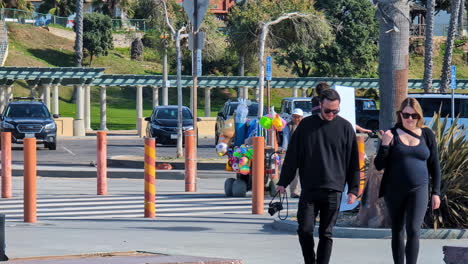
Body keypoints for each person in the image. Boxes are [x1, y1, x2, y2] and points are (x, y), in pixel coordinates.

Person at [277, 89, 360, 264]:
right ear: (320, 106)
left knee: (326, 233)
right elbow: (293, 156)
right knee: (305, 230)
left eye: (335, 111)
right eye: (327, 110)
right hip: (310, 189)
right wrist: (283, 181)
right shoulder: (306, 126)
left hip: (334, 189)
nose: (331, 114)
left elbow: (353, 162)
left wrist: (353, 189)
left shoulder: (345, 128)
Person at [374, 97, 441, 264]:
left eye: (414, 116)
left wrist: (436, 192)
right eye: (406, 115)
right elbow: (379, 165)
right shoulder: (391, 134)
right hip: (394, 190)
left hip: (419, 189)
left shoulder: (427, 134)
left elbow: (435, 165)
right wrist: (384, 145)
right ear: (400, 115)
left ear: (419, 116)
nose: (409, 119)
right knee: (397, 230)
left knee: (413, 230)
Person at [280, 108, 304, 198]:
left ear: (301, 117)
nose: (296, 119)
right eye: (294, 116)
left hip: (304, 151)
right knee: (295, 173)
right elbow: (286, 137)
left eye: (298, 117)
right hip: (293, 151)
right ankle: (294, 192)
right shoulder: (288, 126)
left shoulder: (305, 125)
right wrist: (284, 148)